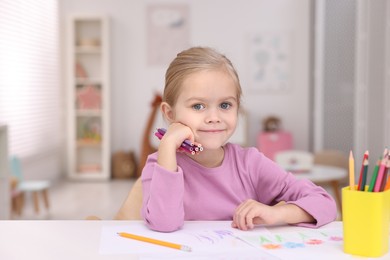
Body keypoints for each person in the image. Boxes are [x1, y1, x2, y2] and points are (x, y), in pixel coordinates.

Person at [141, 46, 337, 232]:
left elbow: (324, 203)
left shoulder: (250, 163)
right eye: (198, 106)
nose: (214, 117)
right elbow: (164, 223)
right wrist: (167, 146)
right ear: (170, 113)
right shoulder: (160, 165)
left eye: (225, 105)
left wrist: (276, 213)